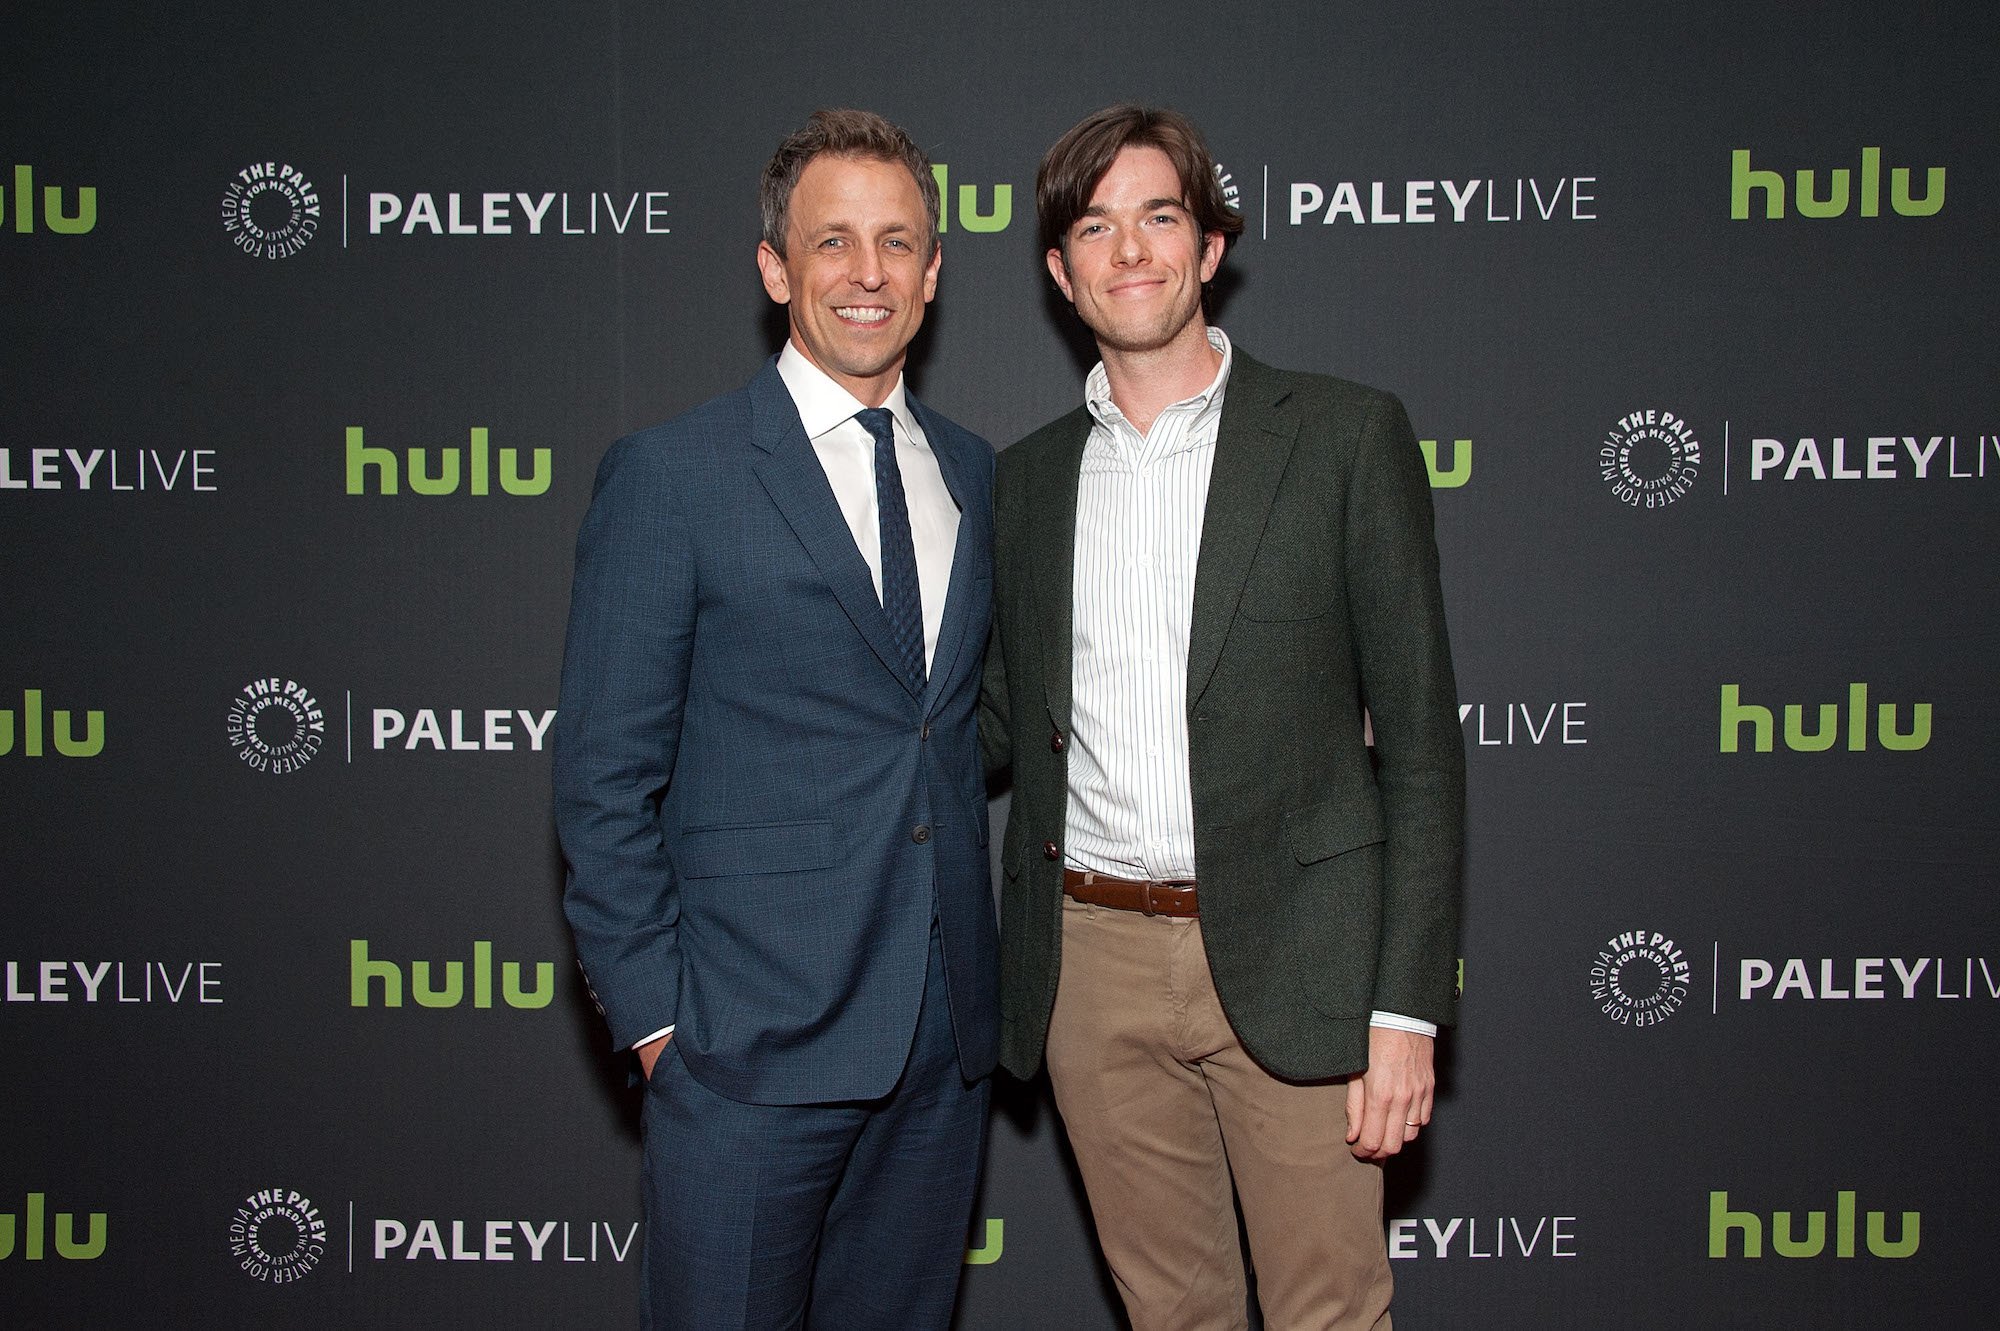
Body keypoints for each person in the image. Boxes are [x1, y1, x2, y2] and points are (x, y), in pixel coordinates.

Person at [981, 104, 1464, 1330]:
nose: (1128, 248)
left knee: (1329, 1312)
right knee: (1169, 1313)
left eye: (1158, 216)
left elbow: (1417, 747)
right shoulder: (1025, 481)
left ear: (1207, 247)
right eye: (1094, 225)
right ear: (1059, 270)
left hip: (1299, 956)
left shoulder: (1346, 436)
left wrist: (1403, 1008)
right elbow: (989, 719)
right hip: (1089, 966)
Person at [554, 107, 998, 1329]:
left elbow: (959, 728)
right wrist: (660, 1029)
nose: (867, 273)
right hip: (743, 1051)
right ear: (774, 268)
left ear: (932, 271)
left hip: (938, 1042)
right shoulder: (674, 474)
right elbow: (601, 780)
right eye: (833, 242)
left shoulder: (972, 471)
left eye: (897, 242)